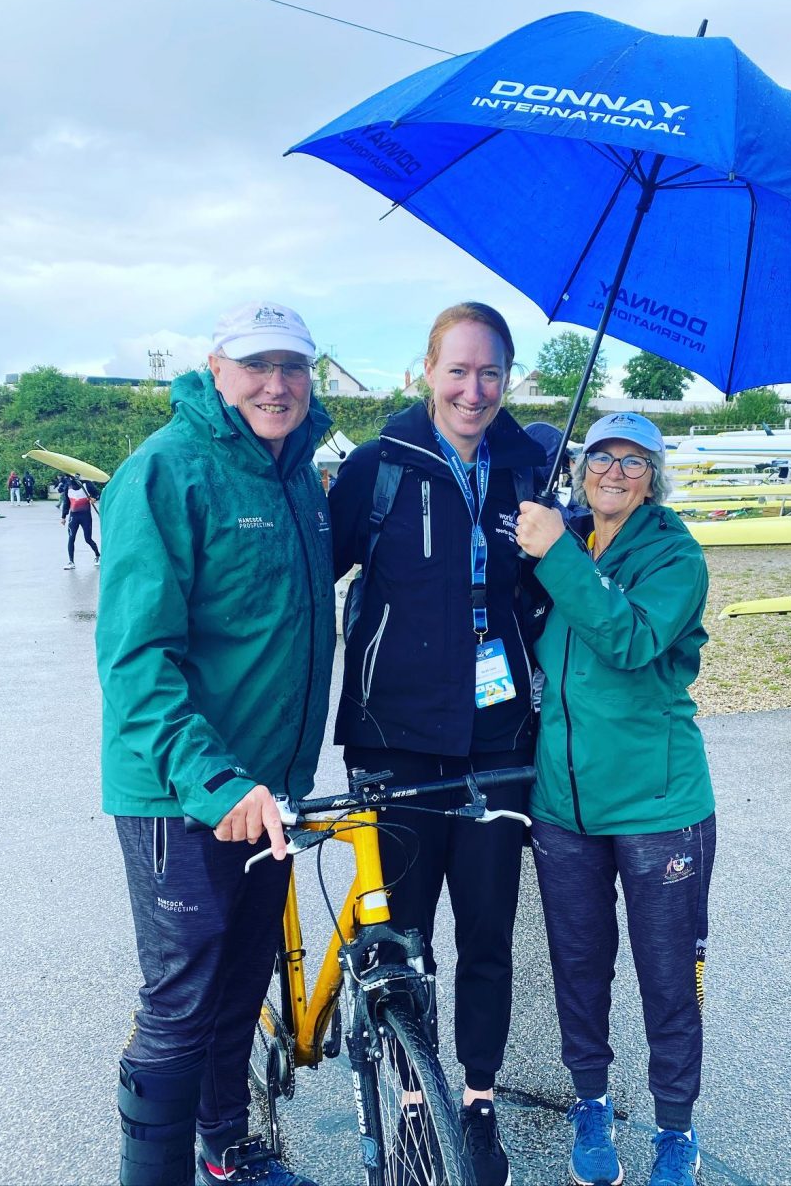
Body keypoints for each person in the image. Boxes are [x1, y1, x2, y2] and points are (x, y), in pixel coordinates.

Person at [95, 301, 335, 1186]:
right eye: (258, 365)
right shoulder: (167, 470)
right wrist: (217, 779)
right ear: (215, 368)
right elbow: (135, 660)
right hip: (182, 789)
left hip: (265, 793)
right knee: (182, 1000)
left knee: (242, 984)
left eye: (295, 367)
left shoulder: (297, 475)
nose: (278, 384)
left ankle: (225, 1148)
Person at [328, 302, 544, 1186]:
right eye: (457, 371)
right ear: (426, 371)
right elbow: (306, 589)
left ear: (509, 377)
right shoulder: (377, 469)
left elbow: (555, 599)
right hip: (396, 740)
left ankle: (480, 1098)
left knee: (488, 931)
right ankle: (414, 1097)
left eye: (491, 372)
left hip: (498, 741)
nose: (474, 389)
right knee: (404, 939)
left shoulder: (531, 465)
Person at [516, 412, 716, 1186]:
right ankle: (590, 1102)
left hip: (658, 807)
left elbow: (629, 638)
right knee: (578, 966)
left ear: (654, 478)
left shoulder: (674, 556)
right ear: (581, 464)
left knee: (669, 978)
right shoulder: (556, 534)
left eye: (637, 461)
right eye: (604, 455)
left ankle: (675, 1127)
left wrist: (558, 556)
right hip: (562, 805)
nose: (617, 472)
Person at [60, 475, 101, 568]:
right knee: (71, 538)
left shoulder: (86, 484)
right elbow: (66, 502)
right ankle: (71, 562)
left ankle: (98, 555)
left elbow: (97, 494)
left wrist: (94, 499)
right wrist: (63, 517)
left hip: (85, 516)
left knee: (88, 539)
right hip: (73, 516)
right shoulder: (68, 486)